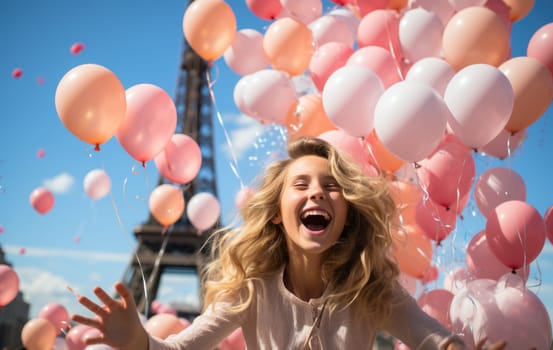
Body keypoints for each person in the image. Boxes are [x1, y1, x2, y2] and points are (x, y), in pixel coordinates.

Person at [72, 136, 506, 350]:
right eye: (301, 184)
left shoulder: (371, 291)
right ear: (277, 214)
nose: (317, 192)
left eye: (332, 186)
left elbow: (429, 337)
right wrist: (138, 342)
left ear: (348, 214)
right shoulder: (253, 290)